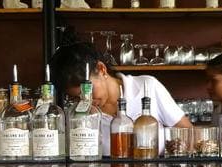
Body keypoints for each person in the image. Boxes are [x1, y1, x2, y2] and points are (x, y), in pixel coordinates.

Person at [49, 41, 191, 153]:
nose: (85, 101)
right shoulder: (76, 115)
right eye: (76, 98)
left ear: (101, 69)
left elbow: (187, 132)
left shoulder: (147, 87)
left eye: (87, 91)